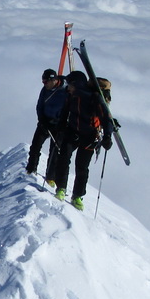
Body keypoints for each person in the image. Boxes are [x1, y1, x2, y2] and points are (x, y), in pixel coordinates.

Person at [51, 71, 113, 210]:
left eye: (69, 84)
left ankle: (77, 196)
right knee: (63, 158)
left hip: (90, 135)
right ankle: (61, 188)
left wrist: (108, 136)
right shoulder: (71, 96)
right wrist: (61, 124)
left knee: (81, 166)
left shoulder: (94, 98)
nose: (67, 87)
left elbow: (105, 118)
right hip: (72, 131)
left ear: (76, 84)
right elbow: (66, 111)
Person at [25, 69, 67, 177]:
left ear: (53, 80)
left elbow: (68, 109)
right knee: (35, 146)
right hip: (45, 122)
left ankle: (50, 176)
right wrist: (41, 119)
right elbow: (40, 105)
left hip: (58, 124)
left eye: (45, 82)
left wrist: (61, 122)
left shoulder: (65, 90)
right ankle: (31, 169)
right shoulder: (45, 90)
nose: (44, 84)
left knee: (54, 151)